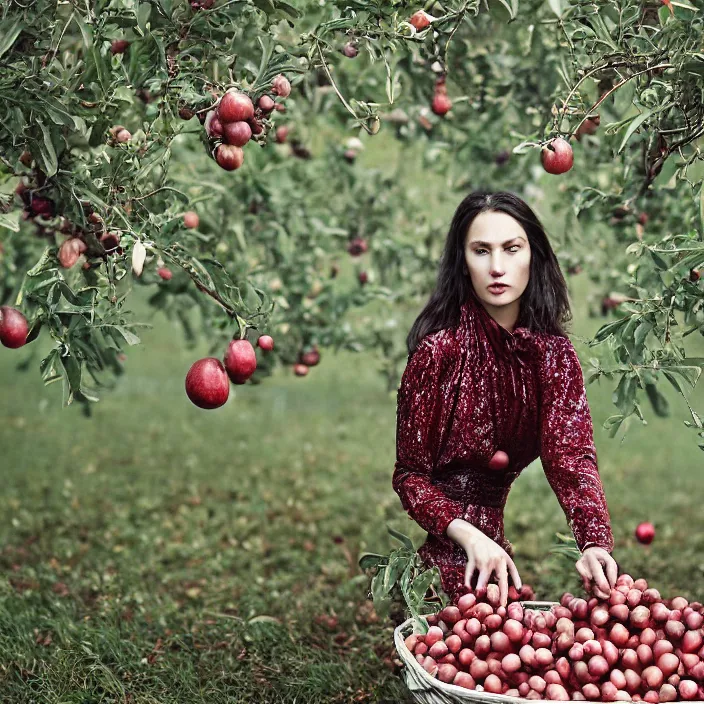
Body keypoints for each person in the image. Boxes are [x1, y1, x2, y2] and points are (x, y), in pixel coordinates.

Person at [392, 190, 618, 609]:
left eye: (512, 249)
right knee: (458, 650)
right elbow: (410, 477)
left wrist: (593, 541)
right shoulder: (437, 355)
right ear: (463, 262)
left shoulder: (554, 357)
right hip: (447, 550)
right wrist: (469, 534)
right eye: (481, 251)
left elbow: (570, 458)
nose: (497, 267)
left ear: (534, 256)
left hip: (493, 555)